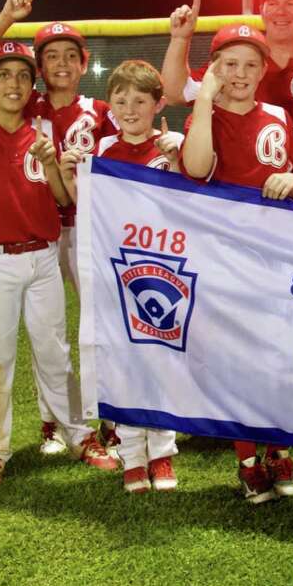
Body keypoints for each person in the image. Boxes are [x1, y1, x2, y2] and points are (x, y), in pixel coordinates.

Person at [0, 40, 117, 490]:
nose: (13, 84)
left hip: (43, 258)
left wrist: (54, 166)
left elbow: (59, 199)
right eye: (3, 75)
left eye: (21, 75)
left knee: (55, 353)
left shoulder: (42, 129)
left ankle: (78, 435)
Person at [180, 23, 293, 504]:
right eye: (229, 64)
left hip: (273, 253)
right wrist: (204, 101)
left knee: (275, 356)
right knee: (235, 360)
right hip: (224, 256)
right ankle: (247, 460)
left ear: (262, 71)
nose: (240, 73)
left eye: (250, 64)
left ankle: (278, 449)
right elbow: (196, 168)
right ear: (213, 69)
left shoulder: (277, 115)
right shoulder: (204, 116)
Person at [59, 60, 184, 494]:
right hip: (119, 269)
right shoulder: (104, 149)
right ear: (109, 104)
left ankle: (162, 453)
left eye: (140, 100)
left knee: (164, 357)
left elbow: (198, 202)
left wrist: (177, 160)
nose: (130, 109)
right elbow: (85, 205)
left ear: (158, 103)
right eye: (121, 100)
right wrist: (66, 172)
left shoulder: (174, 146)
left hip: (168, 267)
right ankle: (132, 455)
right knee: (124, 359)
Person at [163, 0, 293, 125]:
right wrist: (180, 39)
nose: (280, 11)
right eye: (272, 4)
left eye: (290, 3)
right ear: (261, 11)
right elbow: (175, 94)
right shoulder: (239, 64)